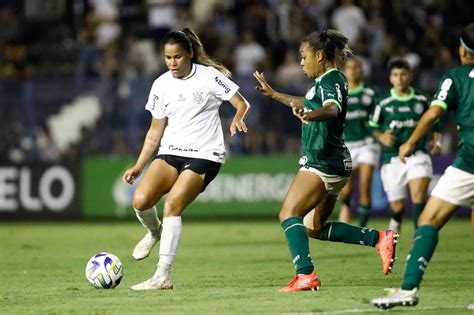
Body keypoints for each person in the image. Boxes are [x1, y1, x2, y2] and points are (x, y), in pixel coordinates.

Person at [254, 29, 398, 292]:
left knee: (288, 213)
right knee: (314, 227)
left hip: (321, 161)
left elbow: (332, 109)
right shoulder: (327, 81)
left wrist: (311, 116)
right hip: (337, 163)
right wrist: (275, 95)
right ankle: (379, 238)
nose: (300, 61)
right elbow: (308, 102)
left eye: (303, 56)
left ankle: (305, 274)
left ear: (319, 55)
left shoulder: (330, 81)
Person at [122, 28, 250, 290]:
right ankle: (155, 232)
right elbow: (155, 131)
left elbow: (242, 103)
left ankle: (162, 276)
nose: (172, 63)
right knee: (140, 200)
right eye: (168, 58)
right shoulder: (161, 84)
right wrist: (139, 165)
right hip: (171, 151)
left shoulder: (210, 76)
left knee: (172, 205)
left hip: (205, 154)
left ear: (190, 54)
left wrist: (237, 118)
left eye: (178, 57)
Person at [372, 23, 474, 310]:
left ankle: (408, 290)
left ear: (463, 50)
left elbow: (432, 114)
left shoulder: (455, 77)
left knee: (428, 220)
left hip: (470, 164)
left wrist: (409, 142)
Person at [369, 59, 441, 232]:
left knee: (418, 196)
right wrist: (382, 136)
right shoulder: (383, 102)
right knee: (398, 207)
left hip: (418, 154)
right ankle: (396, 218)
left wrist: (436, 141)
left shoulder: (421, 99)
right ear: (390, 78)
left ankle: (419, 239)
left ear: (410, 76)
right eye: (395, 75)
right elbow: (373, 126)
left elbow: (434, 122)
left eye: (403, 74)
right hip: (391, 157)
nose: (399, 78)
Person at [338, 56, 379, 226]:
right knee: (346, 190)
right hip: (347, 146)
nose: (353, 71)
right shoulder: (339, 93)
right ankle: (346, 206)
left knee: (365, 184)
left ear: (361, 70)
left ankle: (362, 227)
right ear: (344, 71)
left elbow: (377, 119)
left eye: (356, 67)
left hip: (368, 144)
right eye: (350, 67)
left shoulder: (370, 92)